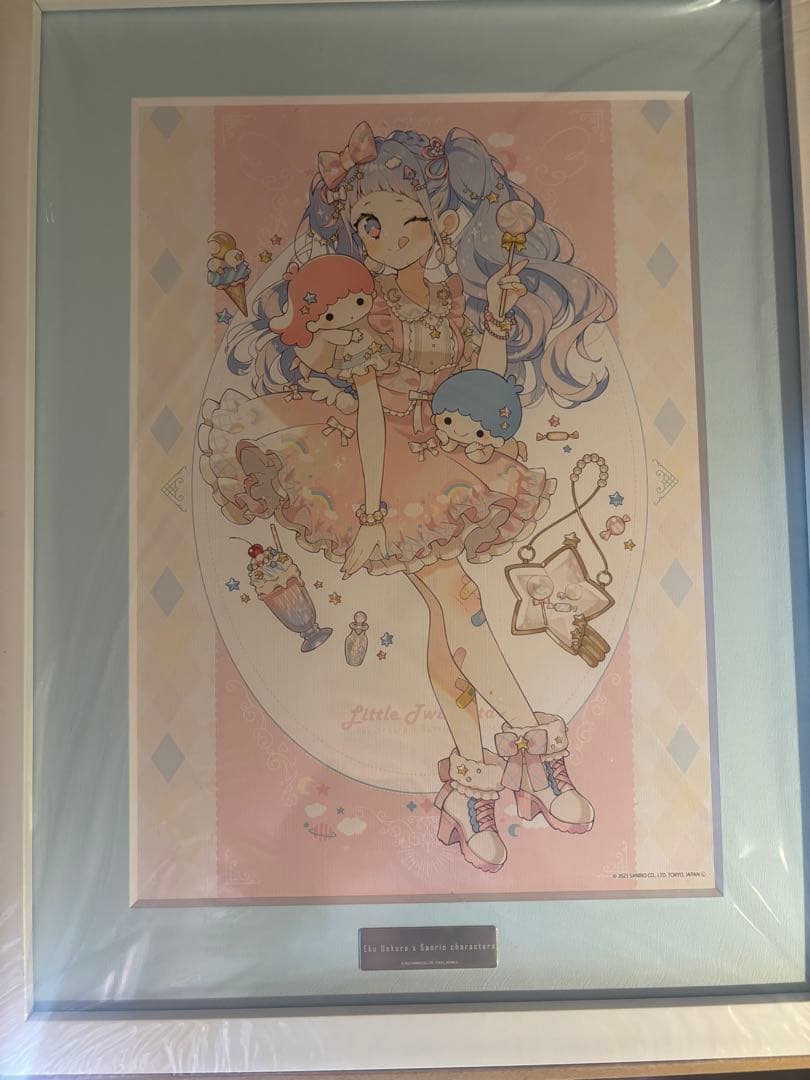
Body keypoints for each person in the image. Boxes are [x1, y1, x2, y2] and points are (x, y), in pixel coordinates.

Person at [198, 122, 616, 872]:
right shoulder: (365, 309)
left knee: (446, 614)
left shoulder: (450, 294)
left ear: (443, 223)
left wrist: (497, 317)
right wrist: (369, 515)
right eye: (370, 226)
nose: (387, 240)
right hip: (379, 464)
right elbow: (367, 412)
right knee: (460, 598)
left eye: (407, 222)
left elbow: (477, 382)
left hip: (445, 449)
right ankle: (535, 750)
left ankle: (472, 786)